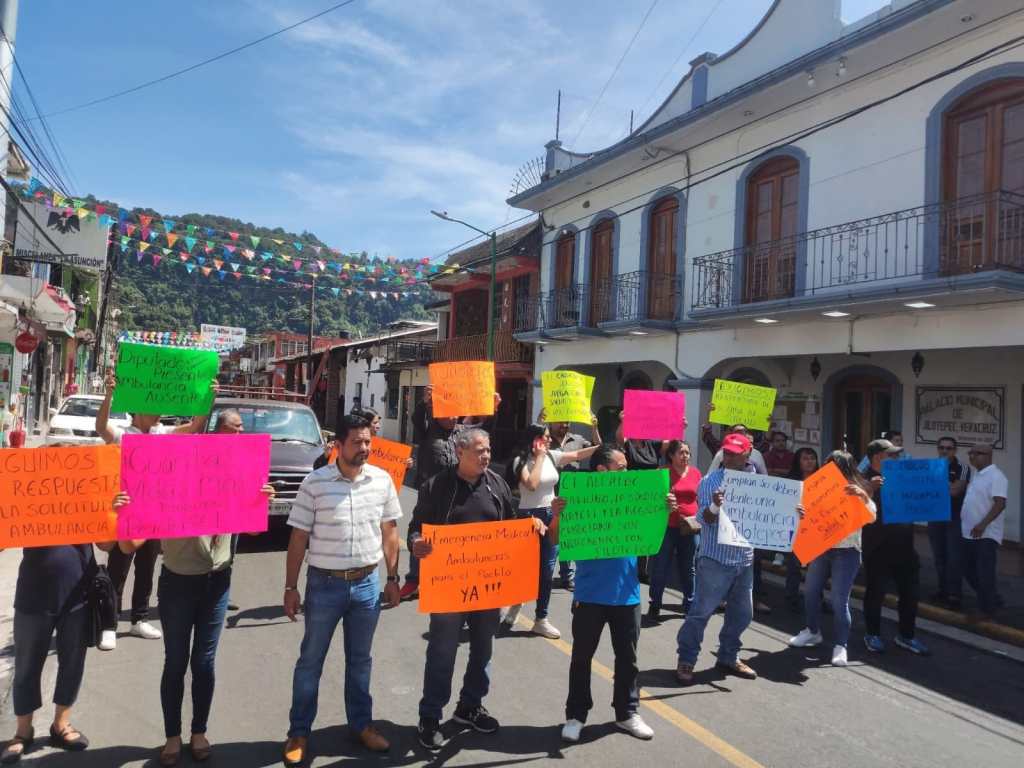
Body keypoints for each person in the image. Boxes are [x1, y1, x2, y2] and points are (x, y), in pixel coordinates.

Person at [409, 427, 545, 751]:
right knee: (442, 652)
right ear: (460, 452)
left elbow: (512, 526)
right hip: (449, 590)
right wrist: (416, 542)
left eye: (488, 450)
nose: (486, 456)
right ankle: (430, 716)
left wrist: (533, 526)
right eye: (479, 451)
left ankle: (470, 706)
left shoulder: (497, 484)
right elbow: (417, 526)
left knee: (483, 649)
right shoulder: (437, 486)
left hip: (488, 588)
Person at [281, 414, 402, 765]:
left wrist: (393, 578)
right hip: (325, 586)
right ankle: (299, 732)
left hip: (367, 585)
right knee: (310, 662)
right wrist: (290, 586)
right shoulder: (315, 483)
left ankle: (361, 725)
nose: (364, 448)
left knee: (361, 661)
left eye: (368, 442)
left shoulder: (381, 481)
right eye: (357, 442)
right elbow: (298, 536)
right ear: (338, 446)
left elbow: (390, 532)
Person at [1, 456, 120, 764]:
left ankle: (61, 724)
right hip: (33, 597)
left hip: (77, 599)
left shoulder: (89, 500)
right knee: (27, 665)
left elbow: (106, 545)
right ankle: (22, 732)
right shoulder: (27, 498)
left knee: (73, 662)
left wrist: (113, 512)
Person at [551, 444, 670, 743]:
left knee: (627, 659)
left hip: (627, 595)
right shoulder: (578, 499)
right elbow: (555, 538)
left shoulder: (633, 497)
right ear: (602, 470)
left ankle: (627, 713)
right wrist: (557, 516)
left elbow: (651, 537)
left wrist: (662, 509)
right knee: (581, 657)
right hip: (590, 595)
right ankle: (576, 715)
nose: (627, 471)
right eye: (621, 467)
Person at [96, 370, 213, 642]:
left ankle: (139, 619)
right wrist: (110, 393)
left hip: (154, 511)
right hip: (126, 509)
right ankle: (109, 625)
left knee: (147, 567)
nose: (159, 412)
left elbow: (194, 427)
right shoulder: (123, 435)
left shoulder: (163, 433)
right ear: (137, 410)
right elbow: (101, 428)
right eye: (153, 407)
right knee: (119, 566)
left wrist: (209, 396)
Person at [675, 433, 765, 685]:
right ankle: (687, 658)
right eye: (726, 451)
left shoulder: (758, 482)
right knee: (701, 612)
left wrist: (792, 513)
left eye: (735, 452)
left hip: (744, 558)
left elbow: (767, 515)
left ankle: (728, 655)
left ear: (748, 454)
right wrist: (714, 506)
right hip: (715, 559)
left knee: (742, 614)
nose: (729, 455)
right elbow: (703, 520)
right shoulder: (710, 482)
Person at [502, 424, 599, 638]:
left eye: (547, 438)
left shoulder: (552, 456)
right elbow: (532, 485)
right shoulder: (521, 461)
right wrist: (538, 458)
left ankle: (541, 618)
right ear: (534, 440)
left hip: (552, 514)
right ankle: (516, 603)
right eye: (544, 437)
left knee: (547, 571)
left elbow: (578, 453)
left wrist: (599, 442)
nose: (548, 441)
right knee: (525, 570)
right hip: (529, 517)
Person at [788, 451, 877, 667]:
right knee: (810, 591)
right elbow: (807, 516)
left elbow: (872, 516)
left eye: (833, 465)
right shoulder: (818, 487)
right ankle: (812, 631)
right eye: (827, 464)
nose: (828, 469)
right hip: (821, 549)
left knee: (839, 600)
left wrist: (864, 497)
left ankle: (840, 645)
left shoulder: (858, 488)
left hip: (847, 552)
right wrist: (800, 512)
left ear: (845, 467)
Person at [861, 439, 929, 655]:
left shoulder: (903, 477)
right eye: (892, 455)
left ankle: (906, 636)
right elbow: (852, 510)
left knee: (910, 593)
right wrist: (869, 489)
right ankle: (872, 634)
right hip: (878, 548)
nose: (897, 458)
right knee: (876, 593)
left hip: (905, 547)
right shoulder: (861, 479)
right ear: (878, 457)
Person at [401, 412, 460, 602]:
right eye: (450, 414)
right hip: (430, 492)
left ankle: (445, 578)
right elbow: (417, 418)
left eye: (458, 414)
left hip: (455, 494)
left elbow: (484, 430)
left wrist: (492, 410)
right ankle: (413, 580)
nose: (454, 417)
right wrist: (425, 403)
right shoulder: (428, 430)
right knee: (421, 532)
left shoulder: (461, 433)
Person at [543, 409, 602, 591]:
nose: (564, 425)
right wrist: (540, 421)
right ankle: (545, 574)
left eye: (567, 422)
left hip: (571, 495)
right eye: (560, 421)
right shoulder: (544, 440)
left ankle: (567, 575)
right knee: (552, 537)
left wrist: (594, 428)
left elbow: (599, 449)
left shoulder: (577, 440)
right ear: (551, 422)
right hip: (549, 495)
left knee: (569, 535)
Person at [647, 440, 702, 621]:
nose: (685, 456)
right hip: (667, 528)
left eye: (687, 452)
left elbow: (700, 498)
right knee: (660, 567)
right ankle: (655, 604)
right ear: (671, 455)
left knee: (689, 567)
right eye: (681, 452)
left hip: (690, 528)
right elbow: (650, 498)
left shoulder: (695, 473)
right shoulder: (662, 473)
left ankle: (689, 604)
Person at [961, 443, 1006, 619]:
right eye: (970, 453)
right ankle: (991, 598)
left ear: (987, 455)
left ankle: (986, 610)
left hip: (985, 534)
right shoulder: (978, 474)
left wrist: (983, 524)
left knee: (984, 571)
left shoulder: (996, 476)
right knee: (967, 569)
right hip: (969, 532)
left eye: (975, 454)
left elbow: (1000, 503)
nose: (971, 456)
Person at [928, 437, 970, 608]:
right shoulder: (930, 466)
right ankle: (942, 590)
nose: (945, 451)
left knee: (954, 557)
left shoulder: (963, 468)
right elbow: (922, 487)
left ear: (955, 450)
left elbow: (955, 491)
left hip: (954, 517)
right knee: (939, 557)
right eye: (942, 448)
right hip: (935, 516)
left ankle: (954, 595)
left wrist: (936, 481)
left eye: (949, 448)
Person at [783, 448, 820, 612]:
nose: (810, 461)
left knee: (818, 569)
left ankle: (816, 599)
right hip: (795, 530)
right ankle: (792, 597)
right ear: (798, 461)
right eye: (805, 458)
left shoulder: (823, 480)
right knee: (794, 567)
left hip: (816, 530)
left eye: (813, 458)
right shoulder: (791, 481)